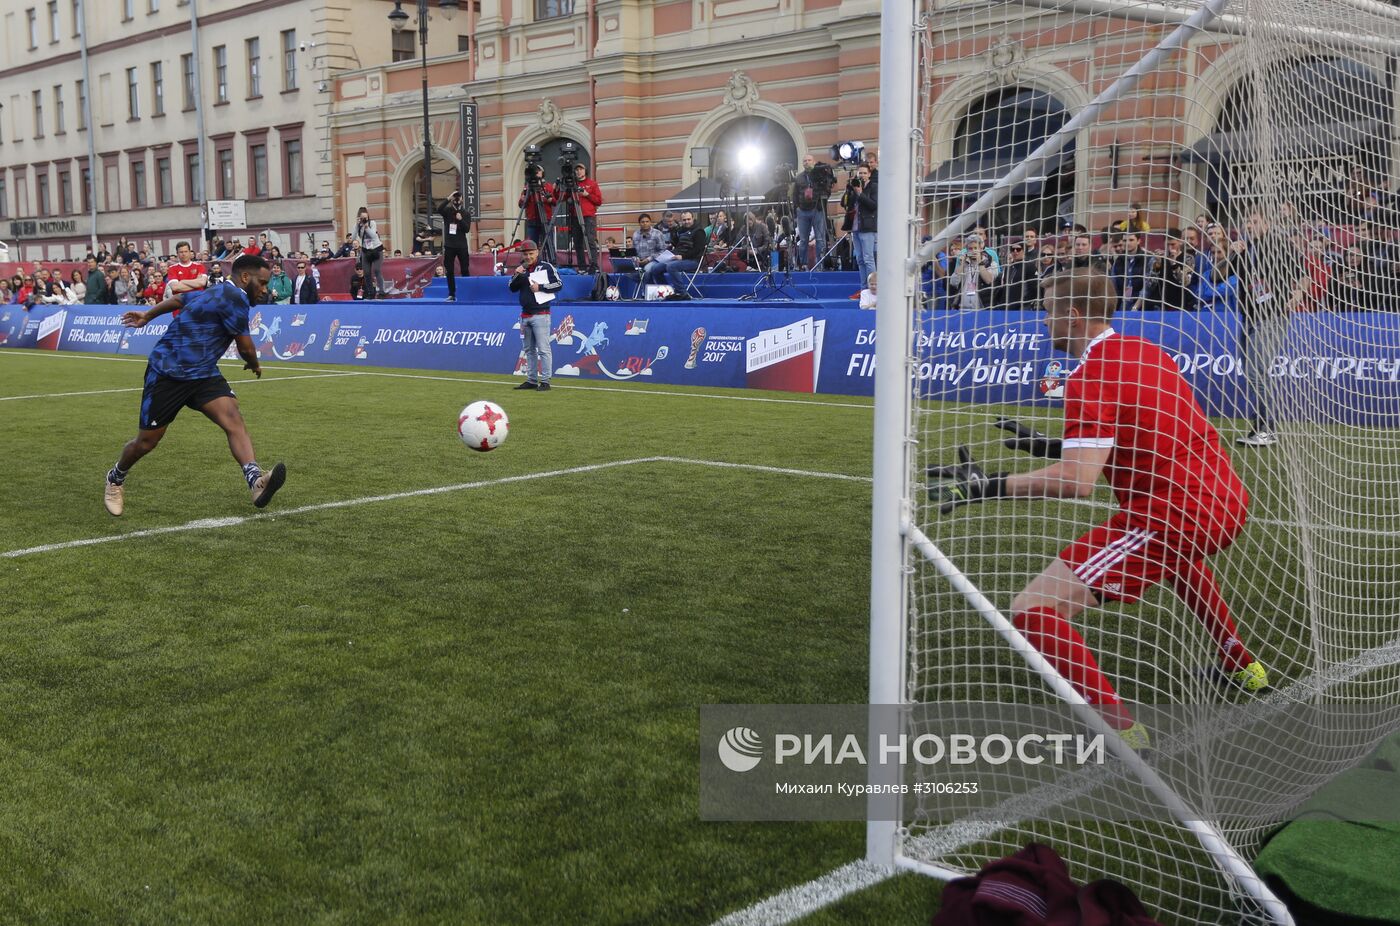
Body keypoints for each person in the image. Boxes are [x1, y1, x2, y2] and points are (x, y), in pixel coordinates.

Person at [930, 267, 1269, 748]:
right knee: (1180, 561)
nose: (1043, 322)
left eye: (1047, 312)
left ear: (1071, 314)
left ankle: (1122, 734)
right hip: (1226, 498)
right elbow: (1135, 433)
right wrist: (1050, 445)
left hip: (1173, 511)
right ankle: (1243, 665)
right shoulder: (1144, 351)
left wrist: (990, 486)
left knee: (1032, 608)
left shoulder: (1090, 374)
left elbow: (1078, 481)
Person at [102, 254, 286, 517]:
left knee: (233, 418)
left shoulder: (218, 290)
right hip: (168, 371)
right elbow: (245, 346)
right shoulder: (235, 298)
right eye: (263, 283)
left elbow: (179, 299)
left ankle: (255, 481)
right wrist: (255, 364)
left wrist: (148, 315)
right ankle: (115, 478)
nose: (265, 290)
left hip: (202, 373)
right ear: (246, 277)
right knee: (146, 442)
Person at [1220, 211, 1309, 446]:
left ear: (1266, 223)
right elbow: (1216, 276)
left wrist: (1298, 291)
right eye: (1246, 222)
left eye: (1255, 221)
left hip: (1273, 315)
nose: (1249, 225)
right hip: (1248, 319)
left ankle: (1267, 428)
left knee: (1254, 370)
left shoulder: (1279, 244)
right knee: (1254, 374)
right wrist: (1230, 254)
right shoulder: (1243, 249)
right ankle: (1261, 427)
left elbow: (1303, 275)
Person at [508, 240, 562, 391]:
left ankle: (545, 381)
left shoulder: (546, 266)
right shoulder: (522, 268)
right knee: (529, 350)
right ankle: (531, 380)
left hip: (541, 314)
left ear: (537, 252)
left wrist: (541, 287)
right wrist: (517, 274)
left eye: (531, 253)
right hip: (525, 315)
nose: (528, 257)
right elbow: (511, 288)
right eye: (525, 254)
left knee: (543, 349)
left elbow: (559, 284)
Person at [559, 161, 604, 273]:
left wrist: (587, 194)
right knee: (577, 242)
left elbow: (599, 201)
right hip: (574, 216)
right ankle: (582, 267)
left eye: (581, 169)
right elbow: (562, 198)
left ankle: (594, 265)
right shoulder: (572, 184)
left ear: (585, 171)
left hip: (588, 216)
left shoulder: (592, 184)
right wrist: (560, 187)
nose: (579, 172)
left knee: (590, 241)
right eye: (577, 170)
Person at [792, 153, 833, 270]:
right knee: (803, 240)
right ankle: (803, 265)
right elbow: (794, 194)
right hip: (803, 212)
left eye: (809, 160)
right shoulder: (799, 178)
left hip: (817, 209)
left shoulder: (820, 175)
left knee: (820, 239)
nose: (807, 163)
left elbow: (828, 189)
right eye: (805, 161)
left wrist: (821, 201)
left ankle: (819, 264)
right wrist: (797, 208)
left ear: (814, 162)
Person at [842, 163, 878, 283]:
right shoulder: (853, 186)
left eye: (864, 173)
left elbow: (873, 205)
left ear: (869, 174)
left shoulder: (874, 187)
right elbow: (844, 204)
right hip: (855, 227)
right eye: (860, 173)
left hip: (867, 227)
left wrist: (860, 194)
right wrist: (848, 190)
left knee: (868, 259)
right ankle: (864, 288)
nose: (862, 175)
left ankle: (873, 286)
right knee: (860, 259)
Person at [439, 189, 473, 302]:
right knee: (449, 271)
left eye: (459, 197)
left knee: (464, 269)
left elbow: (467, 229)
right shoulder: (448, 211)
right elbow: (439, 209)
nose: (457, 199)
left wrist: (461, 219)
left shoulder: (466, 213)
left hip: (462, 245)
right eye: (455, 197)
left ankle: (467, 293)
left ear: (462, 200)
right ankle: (451, 294)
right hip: (449, 245)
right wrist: (448, 198)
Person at [665, 211, 708, 290]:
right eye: (684, 220)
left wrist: (682, 256)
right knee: (656, 268)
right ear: (681, 221)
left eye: (688, 219)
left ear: (693, 219)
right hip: (678, 257)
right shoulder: (680, 230)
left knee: (671, 267)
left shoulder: (699, 231)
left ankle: (681, 292)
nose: (686, 222)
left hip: (694, 260)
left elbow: (698, 250)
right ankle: (664, 290)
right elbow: (675, 244)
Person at [518, 165, 556, 250]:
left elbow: (555, 201)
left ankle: (550, 262)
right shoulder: (527, 187)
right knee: (532, 246)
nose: (536, 173)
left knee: (549, 244)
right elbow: (521, 205)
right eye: (535, 171)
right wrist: (523, 199)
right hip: (532, 220)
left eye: (538, 170)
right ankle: (534, 262)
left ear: (542, 173)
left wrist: (549, 199)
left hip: (546, 219)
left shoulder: (548, 186)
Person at [356, 206, 387, 298]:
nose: (364, 219)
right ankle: (371, 292)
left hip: (376, 250)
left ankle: (382, 292)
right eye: (362, 218)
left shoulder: (372, 223)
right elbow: (355, 237)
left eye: (366, 217)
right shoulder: (358, 225)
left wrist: (366, 227)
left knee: (377, 270)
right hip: (366, 251)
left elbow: (373, 235)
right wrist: (358, 226)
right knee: (366, 273)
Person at [632, 213, 670, 282]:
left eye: (647, 221)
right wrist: (636, 259)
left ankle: (649, 289)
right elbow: (633, 251)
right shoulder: (635, 234)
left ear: (650, 222)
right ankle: (640, 289)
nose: (645, 223)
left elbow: (662, 251)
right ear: (639, 223)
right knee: (628, 270)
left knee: (646, 270)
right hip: (639, 261)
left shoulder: (657, 233)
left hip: (654, 260)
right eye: (642, 222)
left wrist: (648, 259)